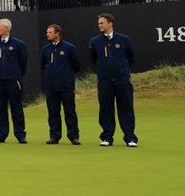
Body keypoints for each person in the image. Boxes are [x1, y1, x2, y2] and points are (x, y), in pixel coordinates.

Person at [89, 13, 137, 147]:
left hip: (122, 79)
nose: (99, 25)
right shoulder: (95, 41)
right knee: (105, 108)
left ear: (110, 24)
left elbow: (131, 57)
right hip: (104, 80)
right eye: (98, 23)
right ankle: (107, 137)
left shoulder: (123, 39)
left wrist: (122, 69)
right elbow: (93, 60)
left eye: (101, 23)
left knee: (126, 107)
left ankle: (130, 138)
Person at [40, 24, 81, 145]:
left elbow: (77, 64)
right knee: (53, 112)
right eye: (47, 32)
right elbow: (43, 65)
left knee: (70, 111)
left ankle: (73, 136)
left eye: (50, 32)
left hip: (66, 86)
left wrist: (66, 75)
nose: (47, 34)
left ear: (57, 34)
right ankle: (54, 135)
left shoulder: (69, 48)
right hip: (51, 86)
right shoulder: (45, 49)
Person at [0, 18, 28, 143]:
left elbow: (23, 63)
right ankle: (1, 134)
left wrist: (15, 74)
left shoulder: (18, 44)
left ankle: (20, 134)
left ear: (6, 28)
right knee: (0, 108)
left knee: (16, 107)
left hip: (13, 81)